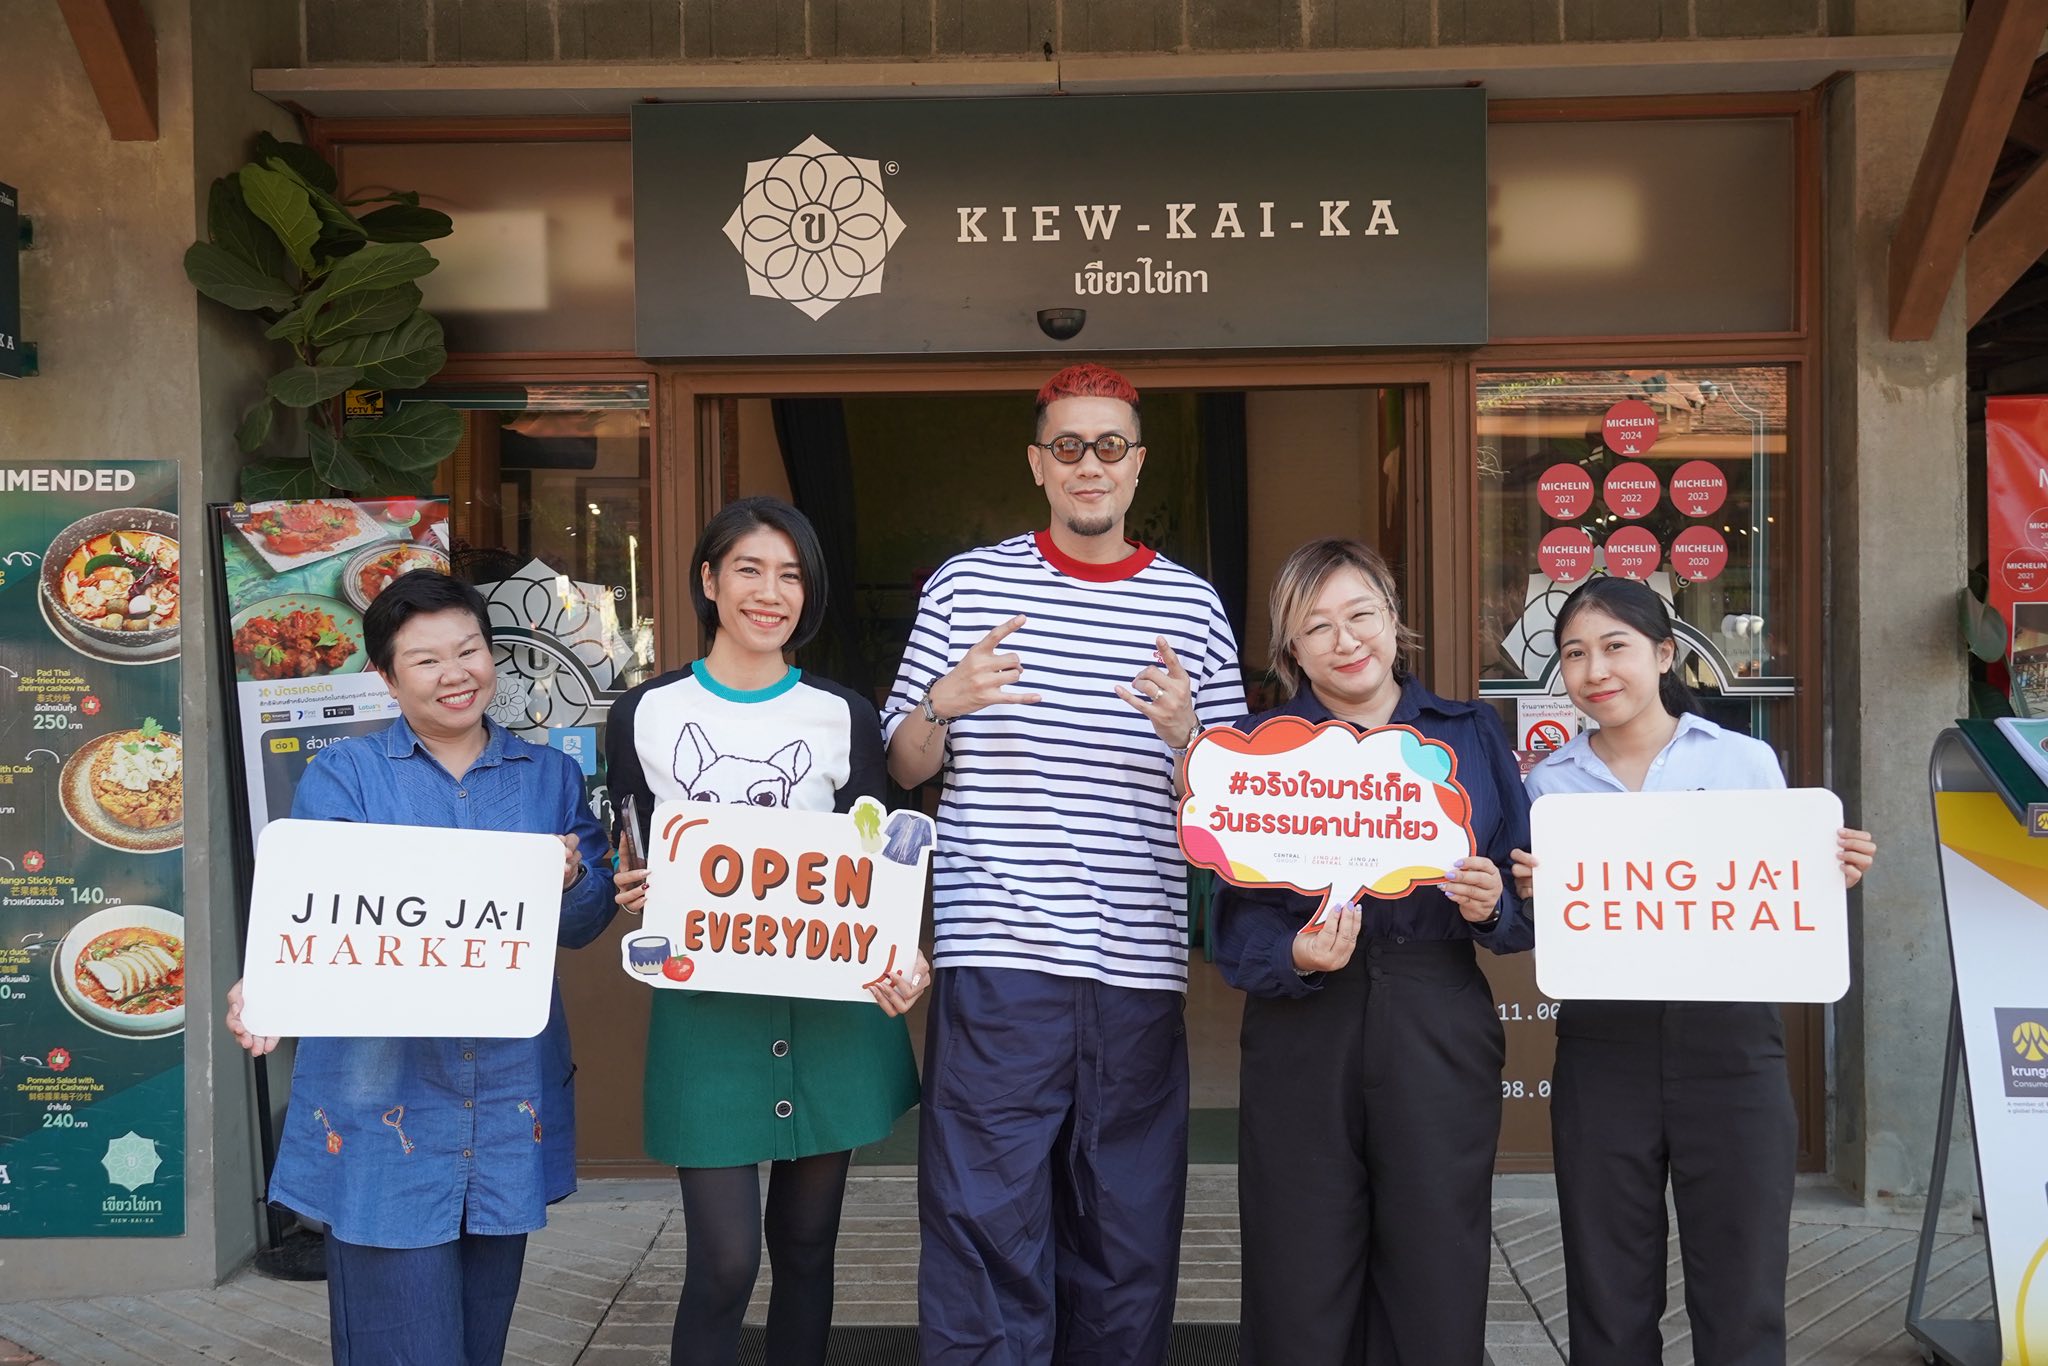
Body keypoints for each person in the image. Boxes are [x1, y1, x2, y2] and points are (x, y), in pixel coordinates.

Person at [883, 363, 1245, 1364]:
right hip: (998, 958)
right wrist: (944, 701)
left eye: (1110, 446)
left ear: (1138, 463)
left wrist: (1189, 739)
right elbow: (903, 764)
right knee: (982, 1228)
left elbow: (1232, 815)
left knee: (1125, 1239)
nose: (1092, 464)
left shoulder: (1192, 608)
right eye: (1070, 446)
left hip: (1137, 968)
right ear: (1038, 464)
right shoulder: (965, 587)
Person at [224, 571, 616, 1366]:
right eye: (427, 660)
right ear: (385, 675)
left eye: (469, 650)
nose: (455, 674)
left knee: (478, 1342)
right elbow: (315, 911)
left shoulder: (549, 777)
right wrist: (268, 981)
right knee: (400, 1347)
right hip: (381, 1107)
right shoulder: (347, 774)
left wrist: (573, 879)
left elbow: (585, 924)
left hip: (505, 1100)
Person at [1509, 575, 1876, 1365]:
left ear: (1664, 654)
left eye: (1615, 647)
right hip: (1604, 1047)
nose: (1595, 670)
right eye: (1574, 654)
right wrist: (1531, 895)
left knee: (1742, 1294)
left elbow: (1781, 894)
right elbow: (1541, 928)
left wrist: (1828, 873)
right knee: (1608, 1295)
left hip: (1732, 1045)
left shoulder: (1744, 762)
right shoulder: (1546, 787)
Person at [605, 496, 925, 1366]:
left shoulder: (843, 714)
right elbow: (630, 850)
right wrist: (632, 886)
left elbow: (876, 861)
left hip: (827, 1008)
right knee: (725, 1262)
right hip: (705, 1012)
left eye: (791, 575)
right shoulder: (643, 713)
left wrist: (905, 952)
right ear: (709, 580)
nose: (770, 592)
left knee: (808, 1248)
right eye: (749, 569)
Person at [1209, 537, 1532, 1366]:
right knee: (1297, 1256)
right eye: (1317, 626)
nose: (1345, 640)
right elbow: (1231, 924)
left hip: (1436, 1015)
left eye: (1360, 615)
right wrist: (1294, 955)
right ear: (1290, 647)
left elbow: (1527, 899)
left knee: (1436, 1255)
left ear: (1394, 618)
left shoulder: (1469, 734)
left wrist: (1494, 903)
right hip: (1303, 1024)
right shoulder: (1257, 751)